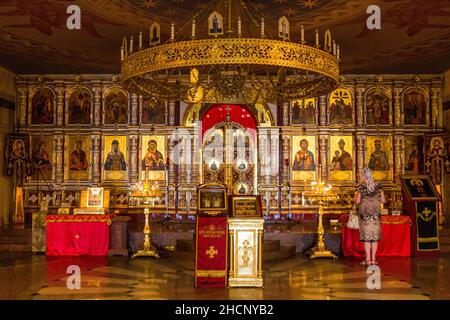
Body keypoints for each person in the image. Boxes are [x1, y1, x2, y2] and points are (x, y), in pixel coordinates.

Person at [355, 167, 385, 266]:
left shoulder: (361, 186)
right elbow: (383, 200)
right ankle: (373, 259)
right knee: (375, 238)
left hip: (365, 214)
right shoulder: (379, 185)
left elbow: (358, 201)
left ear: (364, 176)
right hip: (376, 214)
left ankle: (368, 260)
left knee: (367, 238)